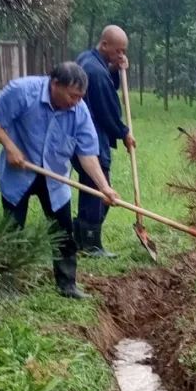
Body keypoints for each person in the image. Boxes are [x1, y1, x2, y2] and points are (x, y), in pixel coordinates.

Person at [0, 62, 119, 300]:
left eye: (80, 97)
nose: (76, 102)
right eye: (72, 95)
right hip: (19, 172)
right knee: (12, 231)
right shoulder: (23, 91)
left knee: (63, 232)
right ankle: (7, 285)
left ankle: (67, 285)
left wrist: (104, 187)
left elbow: (87, 153)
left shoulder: (80, 111)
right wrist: (10, 147)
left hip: (55, 177)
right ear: (55, 84)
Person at [74, 25, 137, 257]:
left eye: (123, 51)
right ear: (104, 45)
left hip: (81, 134)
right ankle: (91, 244)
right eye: (118, 51)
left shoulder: (88, 59)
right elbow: (108, 111)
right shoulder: (97, 73)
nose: (121, 55)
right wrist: (124, 132)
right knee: (100, 191)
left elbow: (105, 85)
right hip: (92, 137)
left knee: (90, 187)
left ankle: (79, 236)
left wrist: (115, 69)